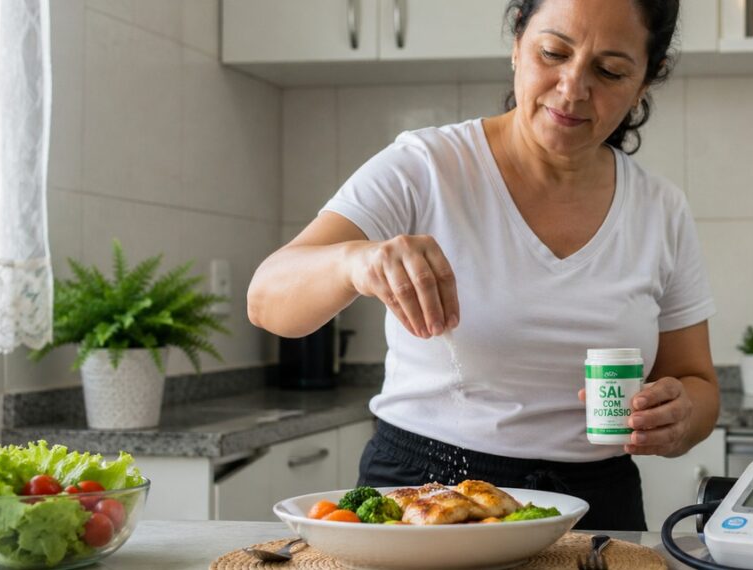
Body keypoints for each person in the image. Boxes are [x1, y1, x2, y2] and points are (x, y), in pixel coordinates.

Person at [247, 0, 717, 531]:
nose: (572, 88)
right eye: (553, 53)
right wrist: (355, 261)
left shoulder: (660, 208)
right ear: (517, 44)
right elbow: (266, 300)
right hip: (425, 493)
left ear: (646, 81)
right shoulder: (426, 166)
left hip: (597, 504)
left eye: (609, 71)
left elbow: (698, 382)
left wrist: (682, 418)